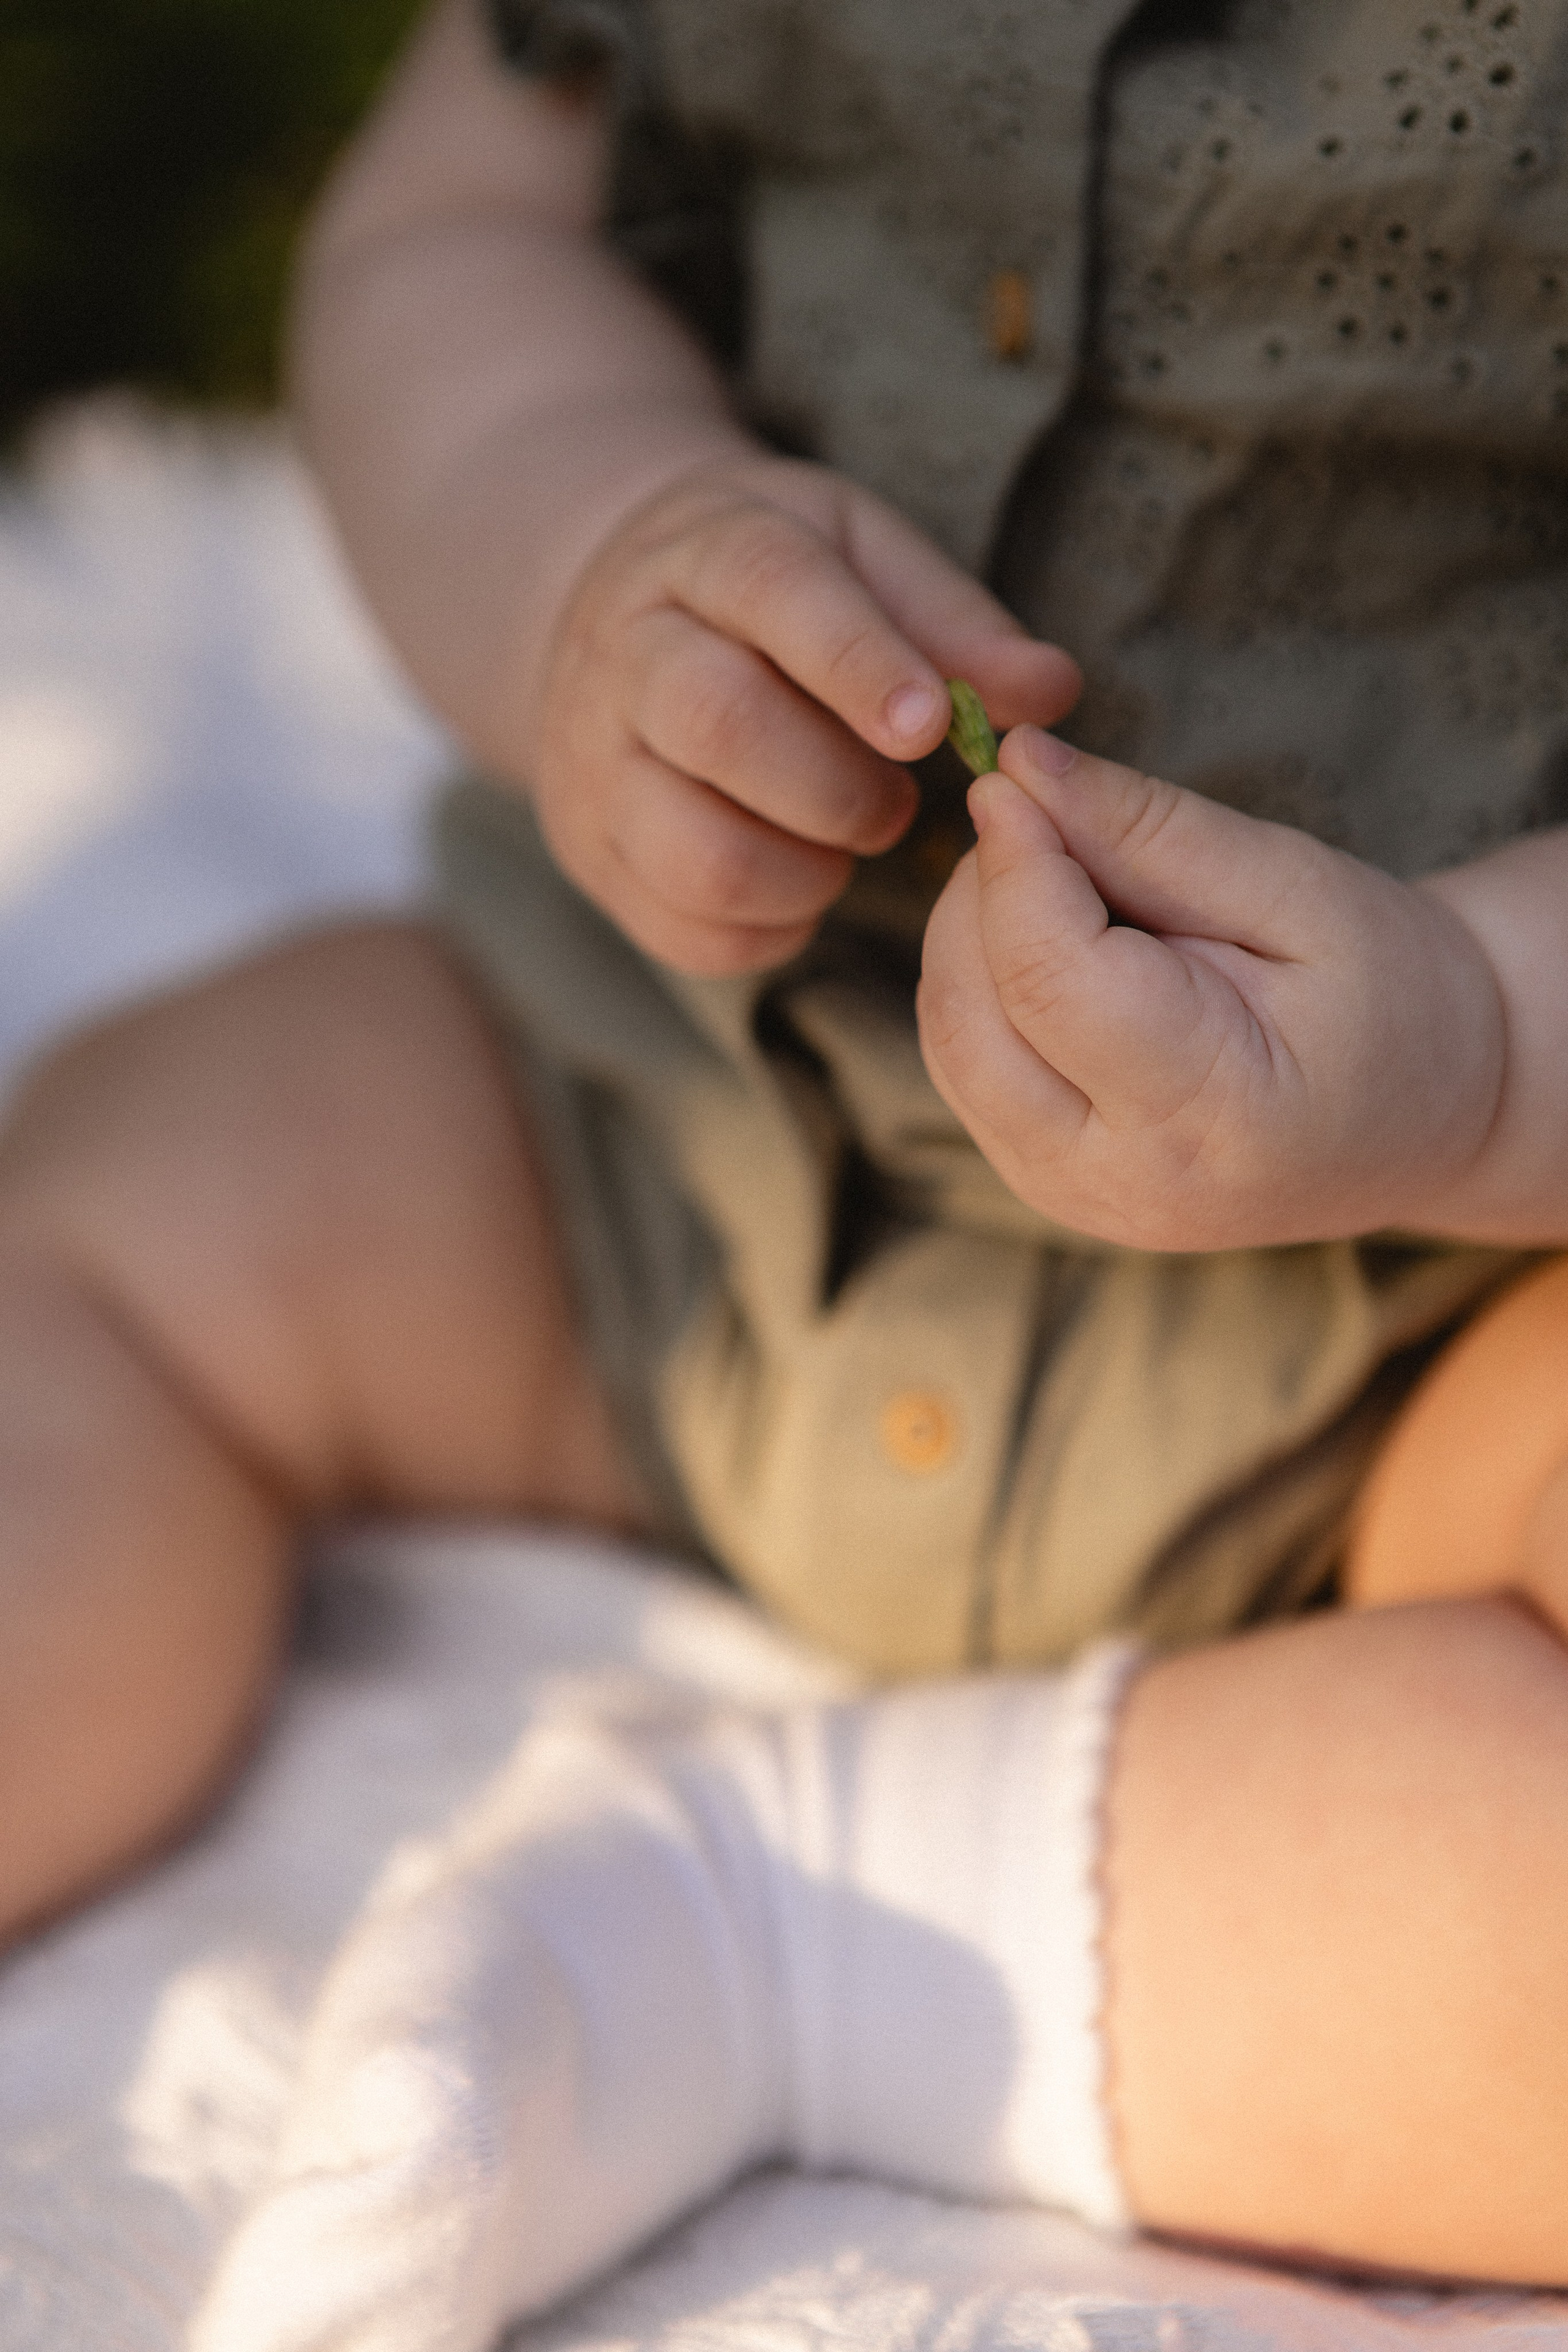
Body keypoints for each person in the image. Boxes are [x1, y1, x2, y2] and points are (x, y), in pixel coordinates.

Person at [7, 0, 1568, 2333]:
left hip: (1430, 1327)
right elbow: (454, 232)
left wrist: (1473, 1046)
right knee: (146, 1190)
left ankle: (787, 1930)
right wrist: (587, 548)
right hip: (664, 1124)